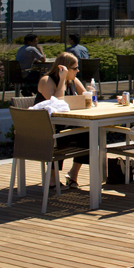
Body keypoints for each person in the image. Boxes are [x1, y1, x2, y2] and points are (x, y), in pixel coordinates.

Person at [34, 52, 89, 189]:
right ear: (63, 68)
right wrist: (62, 80)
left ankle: (73, 174)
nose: (78, 71)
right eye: (74, 68)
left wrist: (90, 93)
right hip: (45, 127)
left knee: (89, 133)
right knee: (62, 134)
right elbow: (56, 104)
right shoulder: (46, 81)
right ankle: (52, 177)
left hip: (64, 123)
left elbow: (86, 97)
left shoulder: (73, 80)